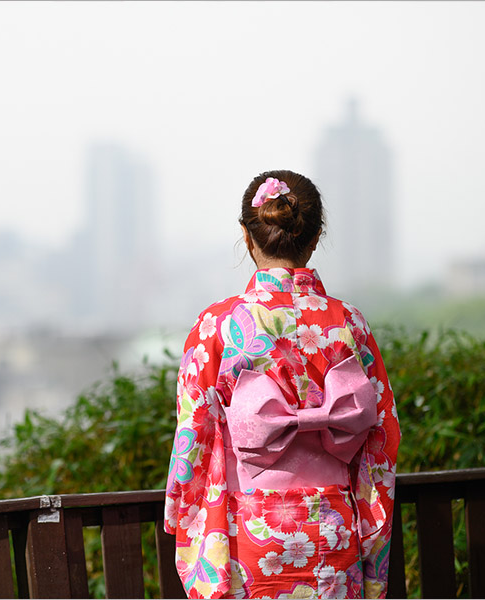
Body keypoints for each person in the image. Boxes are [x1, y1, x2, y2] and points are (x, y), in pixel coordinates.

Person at [163, 170, 400, 599]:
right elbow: (382, 436)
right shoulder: (349, 323)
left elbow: (192, 439)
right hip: (332, 531)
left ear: (246, 235)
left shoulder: (217, 325)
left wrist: (184, 512)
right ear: (315, 237)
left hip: (249, 533)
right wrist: (370, 522)